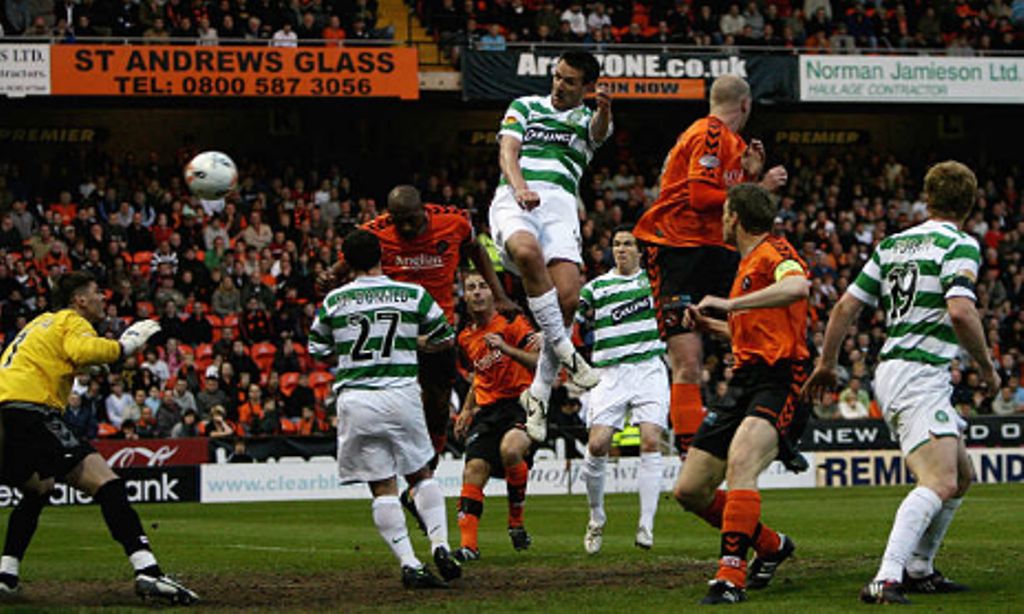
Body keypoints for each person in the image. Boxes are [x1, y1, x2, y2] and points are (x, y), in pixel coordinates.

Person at [802, 161, 999, 605]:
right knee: (941, 480)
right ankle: (886, 577)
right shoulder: (960, 244)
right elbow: (962, 312)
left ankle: (919, 569)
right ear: (969, 204)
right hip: (918, 373)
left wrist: (828, 362)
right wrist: (987, 369)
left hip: (893, 368)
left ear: (927, 199)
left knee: (961, 476)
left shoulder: (892, 245)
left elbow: (843, 309)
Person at [318, 185, 514, 529]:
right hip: (398, 336)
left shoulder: (453, 223)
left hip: (438, 333)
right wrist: (331, 275)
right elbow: (352, 257)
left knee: (438, 409)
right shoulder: (377, 231)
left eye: (409, 221)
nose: (404, 229)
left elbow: (477, 251)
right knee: (401, 409)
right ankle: (405, 484)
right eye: (398, 223)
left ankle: (421, 488)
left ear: (422, 211)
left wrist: (497, 294)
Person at [0, 271, 198, 604]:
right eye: (97, 291)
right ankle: (148, 571)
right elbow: (83, 348)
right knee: (107, 482)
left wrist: (92, 367)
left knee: (38, 488)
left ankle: (6, 575)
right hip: (31, 411)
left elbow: (57, 360)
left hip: (5, 414)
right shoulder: (71, 321)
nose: (103, 297)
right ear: (79, 300)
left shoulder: (39, 324)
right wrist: (124, 345)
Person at [632, 74, 788, 457]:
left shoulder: (733, 144)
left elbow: (724, 197)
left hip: (715, 248)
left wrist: (750, 176)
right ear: (746, 105)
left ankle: (762, 430)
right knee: (687, 358)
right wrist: (760, 189)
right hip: (678, 247)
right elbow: (702, 197)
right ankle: (690, 454)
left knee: (749, 340)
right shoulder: (710, 134)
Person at [673, 184, 810, 605]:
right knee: (690, 490)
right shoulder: (747, 264)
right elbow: (751, 330)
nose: (721, 222)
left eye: (724, 214)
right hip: (744, 380)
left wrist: (730, 306)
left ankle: (729, 577)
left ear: (734, 217)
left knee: (742, 462)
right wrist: (708, 326)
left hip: (781, 379)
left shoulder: (775, 252)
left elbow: (799, 286)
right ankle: (770, 545)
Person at [309, 229, 461, 589]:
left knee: (382, 486)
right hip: (402, 394)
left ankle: (410, 563)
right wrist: (413, 342)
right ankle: (440, 544)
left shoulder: (334, 301)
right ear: (382, 255)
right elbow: (443, 336)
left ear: (346, 260)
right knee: (421, 474)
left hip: (357, 399)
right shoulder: (413, 294)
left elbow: (317, 349)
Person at [489, 50, 613, 443]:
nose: (559, 85)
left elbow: (598, 130)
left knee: (568, 300)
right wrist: (519, 185)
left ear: (586, 88)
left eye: (570, 81)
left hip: (560, 206)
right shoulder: (525, 105)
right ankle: (568, 353)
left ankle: (538, 395)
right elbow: (508, 150)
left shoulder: (587, 121)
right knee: (527, 253)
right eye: (557, 76)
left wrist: (605, 110)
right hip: (517, 196)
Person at [577, 228, 669, 554]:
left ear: (639, 251)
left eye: (628, 244)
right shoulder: (597, 287)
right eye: (616, 244)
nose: (621, 249)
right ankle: (596, 515)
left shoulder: (654, 283)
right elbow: (571, 318)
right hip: (610, 373)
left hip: (648, 367)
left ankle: (646, 523)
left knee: (650, 440)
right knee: (598, 443)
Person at [452, 271, 540, 561]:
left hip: (522, 402)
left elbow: (539, 361)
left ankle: (516, 521)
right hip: (488, 411)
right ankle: (469, 547)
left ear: (492, 294)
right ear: (465, 297)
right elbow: (479, 374)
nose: (477, 292)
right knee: (473, 469)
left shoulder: (513, 322)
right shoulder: (465, 337)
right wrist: (467, 408)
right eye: (471, 288)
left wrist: (506, 348)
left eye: (482, 287)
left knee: (510, 450)